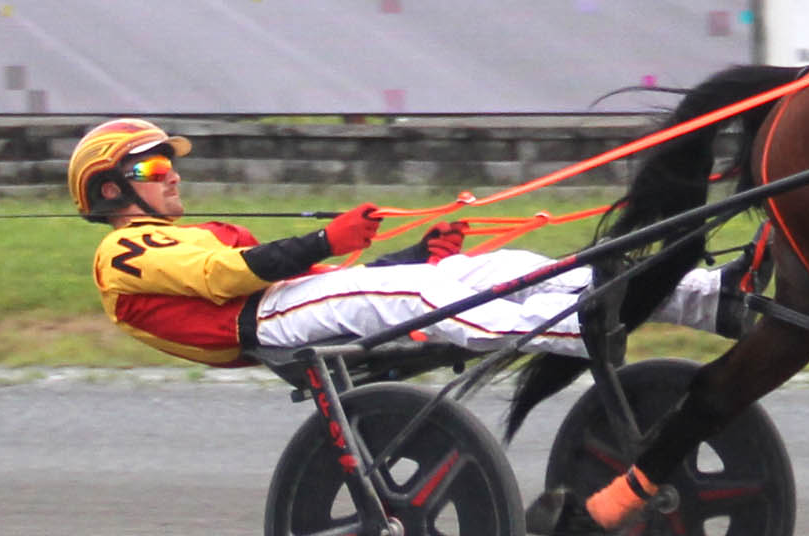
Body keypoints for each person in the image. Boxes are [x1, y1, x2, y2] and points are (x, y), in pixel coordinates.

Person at [70, 119, 739, 369]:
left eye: (169, 163)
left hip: (286, 304)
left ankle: (705, 299)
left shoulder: (180, 231)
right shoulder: (120, 254)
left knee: (501, 267)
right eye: (153, 168)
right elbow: (228, 276)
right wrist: (326, 236)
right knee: (429, 294)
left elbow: (345, 286)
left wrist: (425, 250)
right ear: (109, 193)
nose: (173, 174)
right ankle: (574, 332)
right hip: (260, 323)